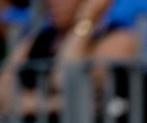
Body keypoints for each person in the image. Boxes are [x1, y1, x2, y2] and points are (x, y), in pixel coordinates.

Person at [0, 0, 138, 115]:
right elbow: (2, 93)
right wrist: (55, 104)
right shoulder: (40, 38)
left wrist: (86, 20)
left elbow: (65, 80)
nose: (53, 2)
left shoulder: (118, 37)